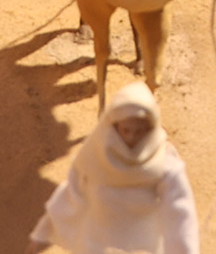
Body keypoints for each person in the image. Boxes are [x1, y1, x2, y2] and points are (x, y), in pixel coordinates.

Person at [33, 83, 200, 254]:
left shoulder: (166, 168)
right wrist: (41, 234)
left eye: (139, 131)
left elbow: (180, 218)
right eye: (126, 130)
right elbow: (71, 197)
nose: (132, 138)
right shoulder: (93, 158)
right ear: (114, 127)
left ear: (149, 129)